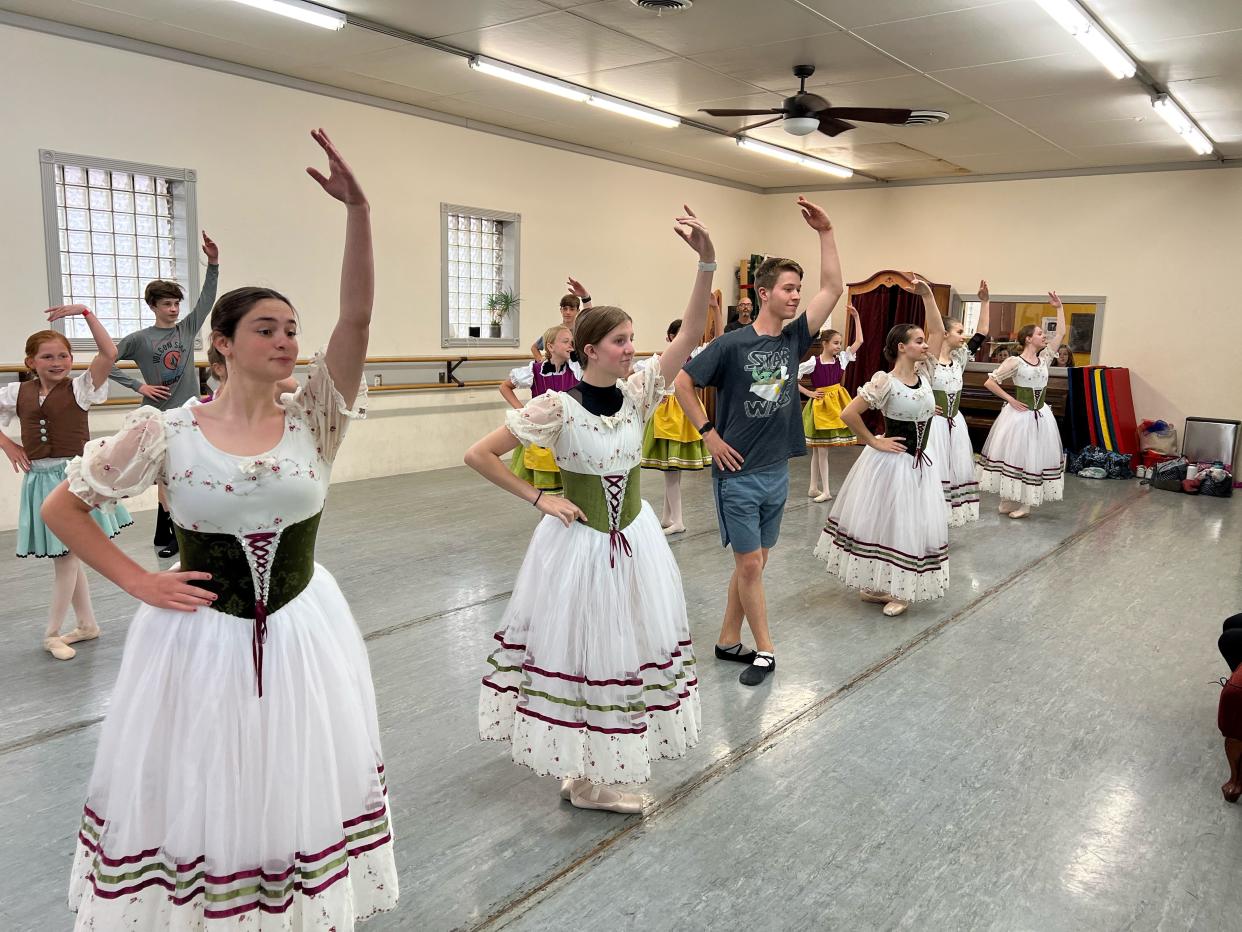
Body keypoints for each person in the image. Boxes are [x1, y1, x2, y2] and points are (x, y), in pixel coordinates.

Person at [45, 128, 398, 926]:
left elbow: (359, 316)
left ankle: (285, 907)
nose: (285, 340)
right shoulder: (167, 432)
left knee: (292, 771)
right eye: (267, 329)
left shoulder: (317, 419)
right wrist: (136, 578)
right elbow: (61, 506)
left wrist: (360, 211)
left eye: (291, 330)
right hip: (198, 639)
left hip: (305, 628)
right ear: (223, 344)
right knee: (209, 776)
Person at [466, 205, 714, 815]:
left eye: (632, 340)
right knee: (582, 650)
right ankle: (584, 776)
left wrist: (707, 262)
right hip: (577, 546)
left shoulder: (638, 395)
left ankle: (591, 770)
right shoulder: (558, 409)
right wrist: (540, 497)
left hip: (634, 538)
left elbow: (685, 341)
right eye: (621, 341)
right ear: (590, 351)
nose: (633, 350)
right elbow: (478, 454)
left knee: (621, 645)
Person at [676, 196, 844, 687]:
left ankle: (728, 638)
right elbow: (683, 383)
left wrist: (826, 232)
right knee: (750, 563)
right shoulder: (731, 345)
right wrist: (708, 435)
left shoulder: (793, 340)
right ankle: (765, 649)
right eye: (789, 289)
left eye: (799, 289)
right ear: (764, 291)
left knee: (755, 564)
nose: (796, 296)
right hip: (738, 475)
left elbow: (834, 287)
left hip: (776, 471)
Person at [814, 275, 949, 617]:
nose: (924, 345)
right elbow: (848, 413)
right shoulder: (884, 381)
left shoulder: (926, 374)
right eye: (917, 342)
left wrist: (928, 296)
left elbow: (938, 332)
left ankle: (898, 587)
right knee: (890, 521)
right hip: (892, 463)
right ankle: (883, 586)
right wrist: (872, 440)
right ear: (902, 347)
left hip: (920, 463)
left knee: (908, 522)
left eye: (923, 341)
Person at [0, 308, 130, 661]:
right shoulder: (18, 392)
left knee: (67, 556)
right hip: (39, 479)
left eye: (63, 355)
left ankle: (52, 632)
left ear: (72, 359)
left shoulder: (82, 388)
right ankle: (86, 624)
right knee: (68, 555)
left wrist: (86, 314)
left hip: (74, 480)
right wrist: (8, 444)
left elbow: (109, 353)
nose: (57, 362)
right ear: (31, 361)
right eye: (47, 357)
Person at [109, 232, 220, 559]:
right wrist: (138, 386)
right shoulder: (139, 339)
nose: (173, 309)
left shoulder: (185, 329)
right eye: (167, 304)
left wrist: (213, 263)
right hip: (158, 416)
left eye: (176, 304)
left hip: (190, 414)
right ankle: (173, 533)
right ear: (153, 306)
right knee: (167, 475)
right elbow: (105, 362)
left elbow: (207, 299)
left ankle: (170, 532)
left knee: (184, 472)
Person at [977, 292, 1067, 519]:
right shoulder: (1015, 362)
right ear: (1028, 338)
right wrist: (1010, 399)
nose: (1043, 336)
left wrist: (1059, 307)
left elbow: (1062, 333)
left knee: (1032, 458)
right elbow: (990, 381)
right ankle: (1009, 499)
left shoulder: (1045, 358)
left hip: (1040, 415)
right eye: (1039, 333)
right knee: (1014, 457)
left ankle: (1026, 503)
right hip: (1019, 416)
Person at [639, 294, 722, 536]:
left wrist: (715, 310)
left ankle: (677, 520)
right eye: (676, 336)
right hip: (665, 415)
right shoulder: (657, 361)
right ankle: (668, 516)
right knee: (669, 469)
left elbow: (718, 341)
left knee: (673, 470)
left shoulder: (694, 357)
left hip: (684, 414)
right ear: (669, 338)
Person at [926, 279, 991, 527]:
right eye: (959, 332)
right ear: (944, 334)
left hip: (955, 424)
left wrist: (985, 302)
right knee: (935, 468)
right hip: (933, 426)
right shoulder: (929, 359)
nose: (964, 337)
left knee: (954, 468)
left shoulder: (960, 358)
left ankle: (946, 513)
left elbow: (982, 332)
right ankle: (930, 511)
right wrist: (926, 405)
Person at [503, 324, 581, 495]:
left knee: (572, 491)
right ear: (550, 346)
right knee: (547, 495)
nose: (570, 346)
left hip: (569, 436)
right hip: (542, 438)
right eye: (566, 342)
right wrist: (522, 411)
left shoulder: (576, 369)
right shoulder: (535, 370)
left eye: (572, 343)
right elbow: (505, 387)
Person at [797, 303, 863, 501]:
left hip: (836, 404)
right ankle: (823, 490)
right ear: (824, 343)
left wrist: (856, 317)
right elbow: (791, 377)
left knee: (821, 451)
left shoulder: (841, 359)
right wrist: (808, 393)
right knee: (820, 450)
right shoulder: (813, 362)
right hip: (821, 407)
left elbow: (859, 340)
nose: (839, 346)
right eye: (835, 342)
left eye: (840, 343)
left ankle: (815, 488)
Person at [529, 279, 592, 360]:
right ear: (561, 310)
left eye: (572, 309)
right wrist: (541, 363)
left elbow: (589, 316)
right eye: (565, 309)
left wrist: (585, 296)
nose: (568, 312)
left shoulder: (581, 330)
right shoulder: (554, 332)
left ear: (578, 311)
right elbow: (534, 348)